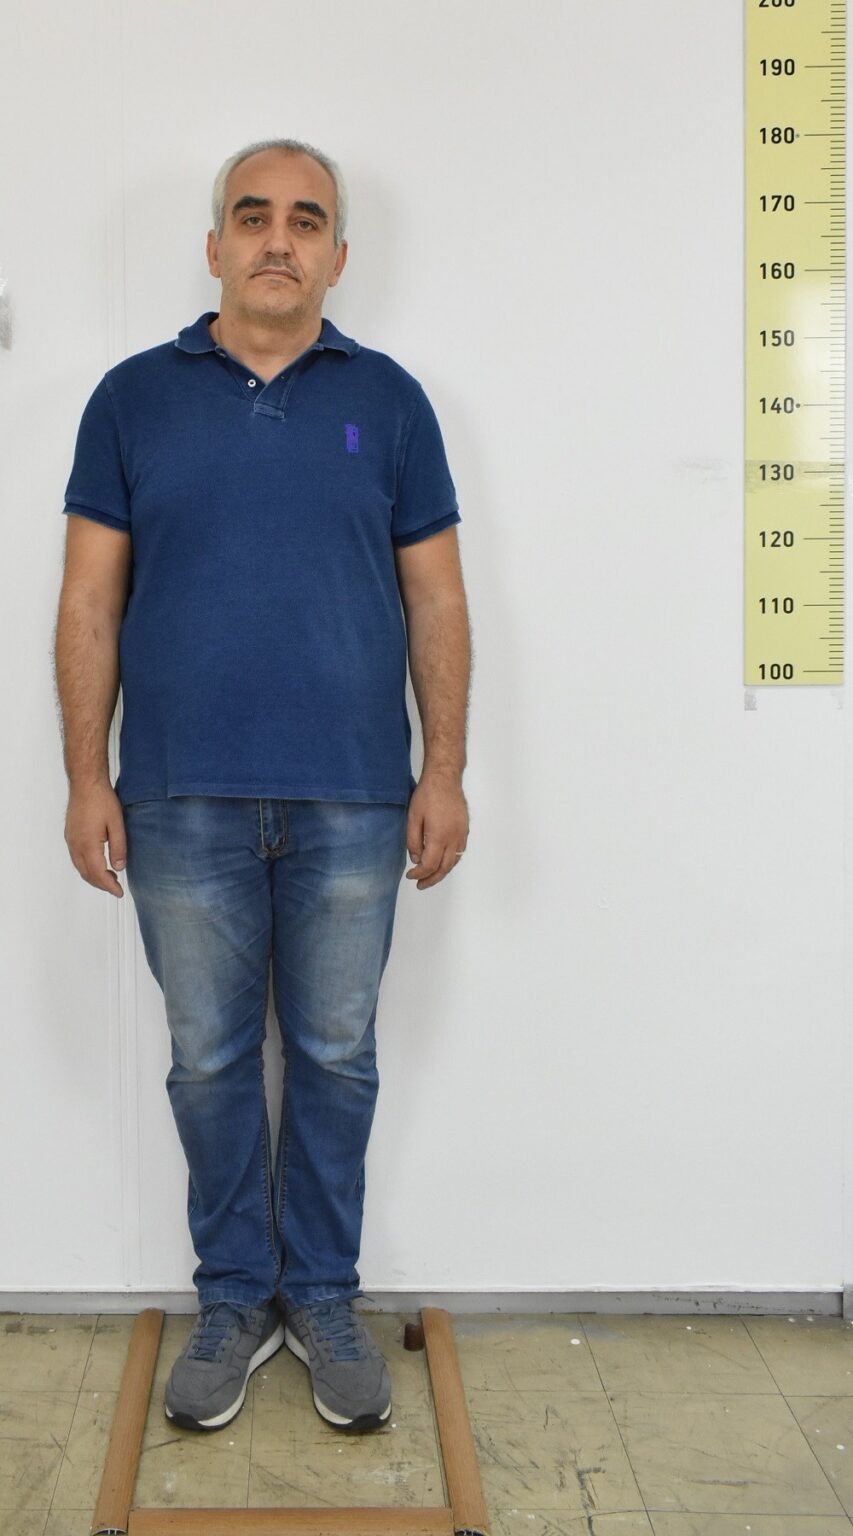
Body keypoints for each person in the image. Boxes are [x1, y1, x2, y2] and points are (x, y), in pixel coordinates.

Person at [53, 136, 472, 1435]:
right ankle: (236, 1296)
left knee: (337, 1059)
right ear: (215, 246)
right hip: (179, 797)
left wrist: (445, 770)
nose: (277, 239)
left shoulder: (390, 402)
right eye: (253, 216)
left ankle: (325, 1298)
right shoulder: (130, 399)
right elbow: (88, 602)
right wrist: (84, 777)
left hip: (356, 796)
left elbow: (436, 598)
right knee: (210, 1063)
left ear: (338, 255)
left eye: (304, 219)